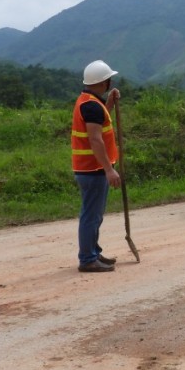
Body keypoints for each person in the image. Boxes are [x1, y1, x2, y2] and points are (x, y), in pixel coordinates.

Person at [71, 60, 122, 272]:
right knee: (91, 216)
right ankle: (87, 259)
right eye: (108, 80)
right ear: (102, 82)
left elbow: (101, 121)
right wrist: (109, 170)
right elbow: (95, 139)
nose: (110, 82)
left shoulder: (91, 102)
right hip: (93, 170)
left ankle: (94, 252)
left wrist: (109, 103)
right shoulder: (90, 105)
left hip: (92, 169)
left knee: (95, 215)